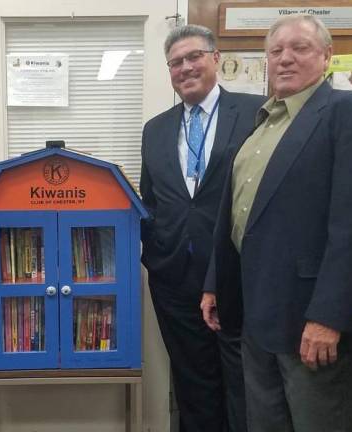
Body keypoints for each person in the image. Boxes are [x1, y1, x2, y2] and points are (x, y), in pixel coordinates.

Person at [203, 15, 352, 432]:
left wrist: (329, 317)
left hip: (316, 326)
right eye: (276, 51)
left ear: (327, 56)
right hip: (258, 320)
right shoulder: (262, 123)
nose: (285, 59)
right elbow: (243, 217)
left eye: (300, 48)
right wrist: (216, 283)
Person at [139, 24, 264, 432]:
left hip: (236, 274)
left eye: (194, 57)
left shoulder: (255, 112)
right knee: (192, 381)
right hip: (174, 276)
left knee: (242, 381)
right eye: (176, 62)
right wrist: (156, 253)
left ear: (215, 58)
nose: (185, 67)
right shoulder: (155, 129)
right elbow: (150, 200)